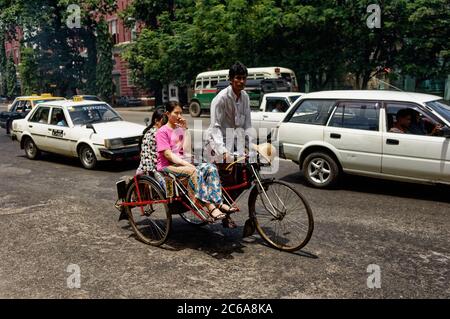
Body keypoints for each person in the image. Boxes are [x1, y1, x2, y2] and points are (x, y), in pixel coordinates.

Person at [156, 101, 237, 222]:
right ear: (168, 114)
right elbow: (168, 155)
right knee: (193, 171)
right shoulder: (162, 131)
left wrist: (185, 130)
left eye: (181, 113)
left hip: (182, 163)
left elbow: (187, 151)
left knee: (211, 167)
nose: (179, 116)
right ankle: (209, 206)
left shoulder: (179, 129)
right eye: (176, 113)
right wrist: (187, 164)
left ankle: (218, 202)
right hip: (167, 165)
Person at [136, 108, 167, 176]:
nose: (165, 126)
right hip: (153, 170)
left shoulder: (148, 131)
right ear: (156, 121)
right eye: (164, 123)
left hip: (143, 168)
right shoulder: (158, 133)